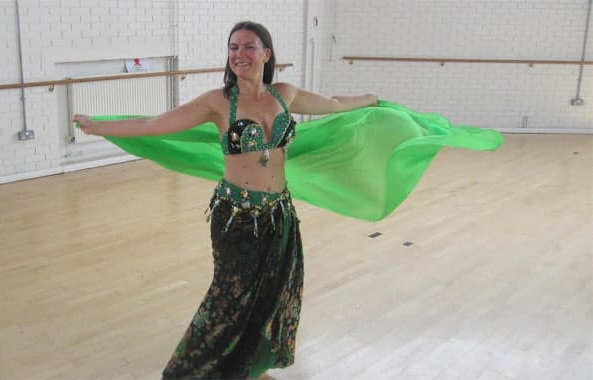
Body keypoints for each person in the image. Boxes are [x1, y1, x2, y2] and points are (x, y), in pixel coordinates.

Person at [73, 21, 377, 380]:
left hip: (279, 213)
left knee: (270, 292)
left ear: (266, 53)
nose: (239, 55)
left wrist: (374, 100)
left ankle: (246, 365)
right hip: (237, 217)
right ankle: (187, 371)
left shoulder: (285, 94)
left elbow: (334, 103)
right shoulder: (218, 102)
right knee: (227, 297)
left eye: (249, 47)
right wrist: (99, 127)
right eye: (233, 48)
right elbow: (156, 124)